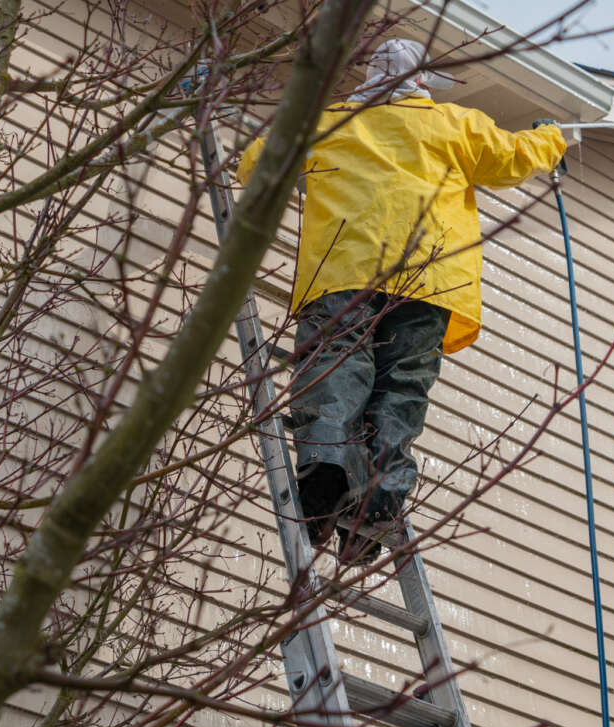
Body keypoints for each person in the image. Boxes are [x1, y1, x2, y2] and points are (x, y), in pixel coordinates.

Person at [236, 38, 566, 563]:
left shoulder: (327, 124)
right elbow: (515, 159)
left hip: (343, 271)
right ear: (420, 83)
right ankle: (376, 506)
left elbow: (257, 164)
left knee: (336, 366)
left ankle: (325, 467)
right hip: (430, 281)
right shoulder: (454, 125)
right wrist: (551, 139)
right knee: (401, 389)